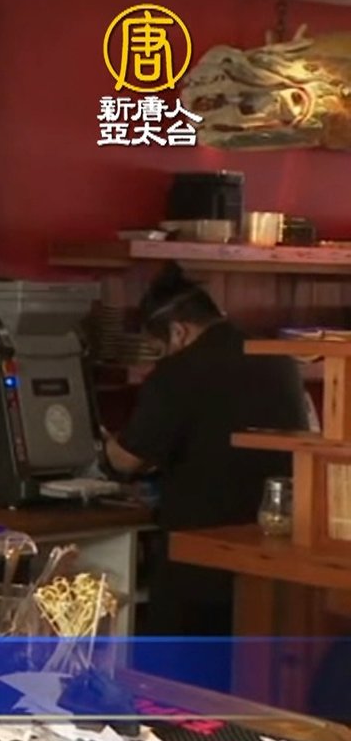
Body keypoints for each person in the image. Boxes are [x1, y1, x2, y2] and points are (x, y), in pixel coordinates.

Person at [100, 262, 310, 686]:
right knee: (246, 682)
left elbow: (127, 460)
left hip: (198, 553)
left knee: (175, 686)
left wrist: (102, 445)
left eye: (159, 348)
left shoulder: (179, 372)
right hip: (273, 551)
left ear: (178, 332)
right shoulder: (278, 359)